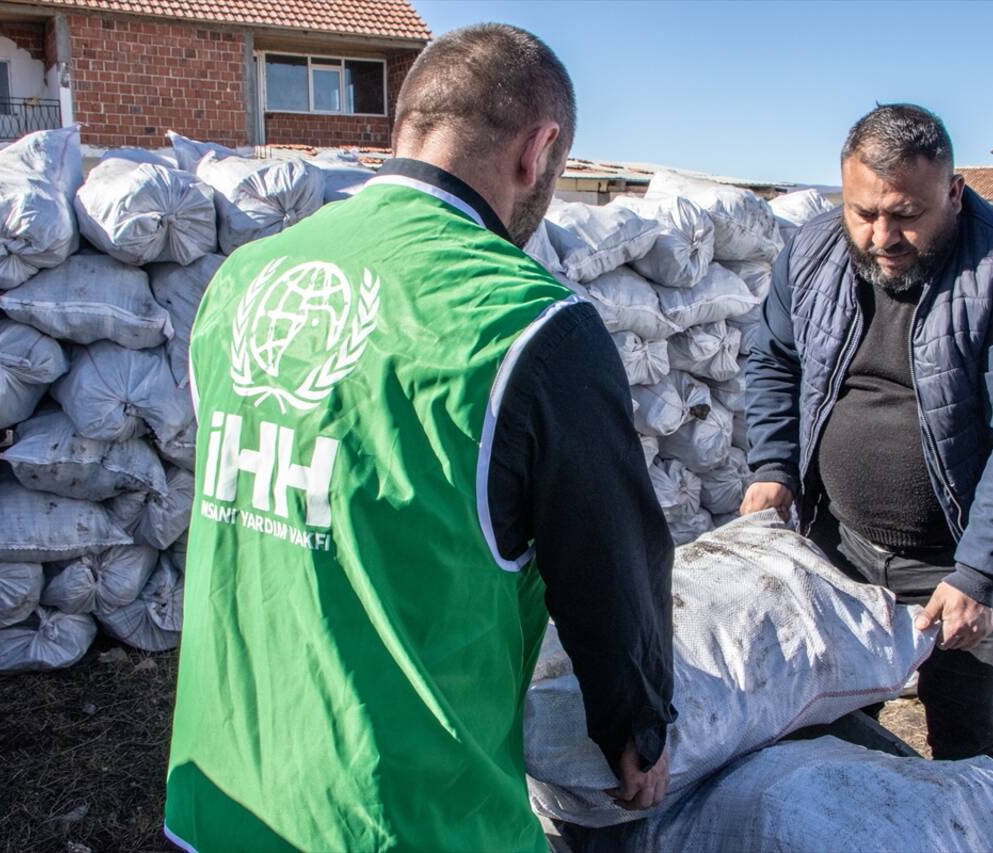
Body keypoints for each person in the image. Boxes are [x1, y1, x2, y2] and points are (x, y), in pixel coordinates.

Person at [165, 24, 675, 852]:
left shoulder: (240, 283)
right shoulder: (532, 324)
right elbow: (612, 564)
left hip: (223, 797)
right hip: (407, 820)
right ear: (539, 150)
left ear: (403, 126)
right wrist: (638, 726)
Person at [741, 104, 993, 762]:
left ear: (953, 193)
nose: (881, 237)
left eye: (906, 216)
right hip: (839, 550)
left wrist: (981, 573)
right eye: (864, 212)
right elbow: (773, 358)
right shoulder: (813, 253)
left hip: (955, 559)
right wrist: (773, 466)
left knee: (968, 743)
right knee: (828, 733)